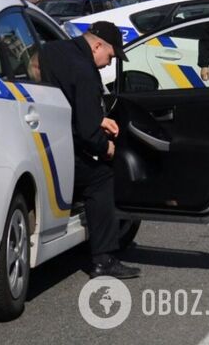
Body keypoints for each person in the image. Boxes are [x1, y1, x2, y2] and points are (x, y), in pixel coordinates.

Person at [31, 21, 141, 279]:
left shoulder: (52, 49)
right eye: (110, 57)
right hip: (60, 149)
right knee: (102, 177)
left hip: (37, 139)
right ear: (98, 45)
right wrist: (108, 149)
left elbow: (65, 99)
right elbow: (89, 135)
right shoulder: (86, 72)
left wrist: (97, 119)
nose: (109, 64)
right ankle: (104, 259)